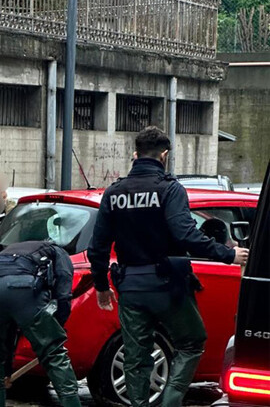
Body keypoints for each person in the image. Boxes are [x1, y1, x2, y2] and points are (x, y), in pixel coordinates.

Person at [88, 126, 250, 407]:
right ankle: (170, 402)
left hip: (130, 288)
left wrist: (102, 286)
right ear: (164, 155)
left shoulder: (114, 193)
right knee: (192, 341)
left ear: (135, 155)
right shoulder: (169, 189)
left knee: (136, 357)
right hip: (167, 287)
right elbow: (187, 235)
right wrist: (227, 254)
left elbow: (98, 246)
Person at [0, 239, 81, 407]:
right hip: (23, 289)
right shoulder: (58, 252)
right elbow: (64, 294)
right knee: (54, 356)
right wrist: (55, 329)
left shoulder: (10, 250)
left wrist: (6, 371)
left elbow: (7, 333)